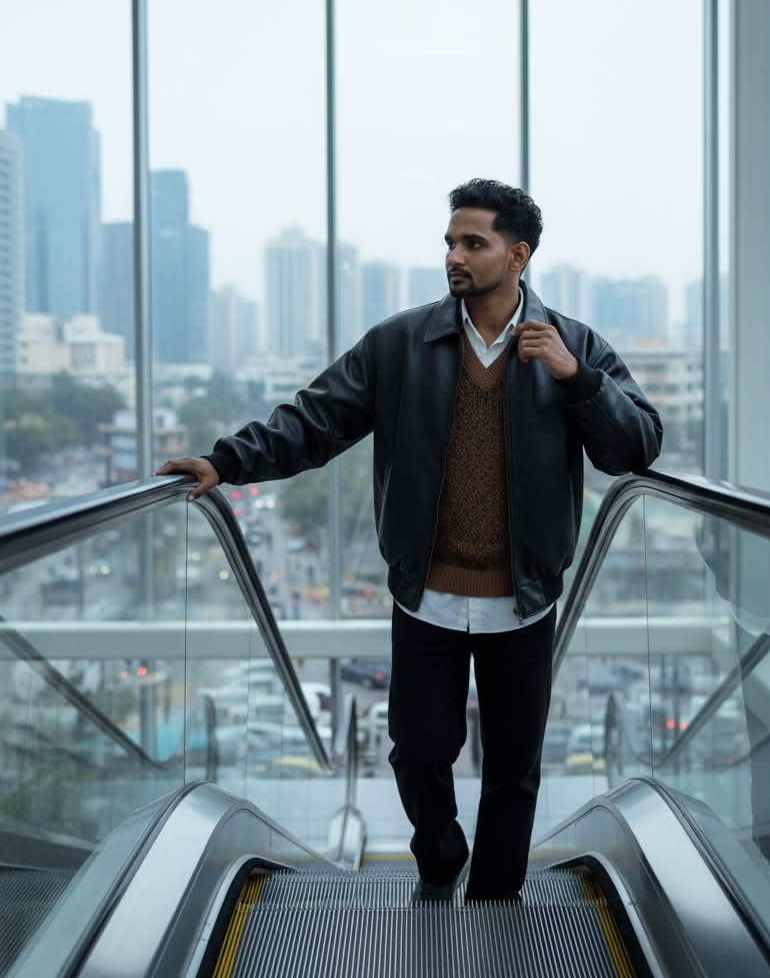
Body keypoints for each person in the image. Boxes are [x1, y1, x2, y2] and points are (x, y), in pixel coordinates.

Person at [156, 178, 663, 904]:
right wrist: (225, 462)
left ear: (517, 255)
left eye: (473, 243)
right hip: (425, 597)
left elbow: (636, 447)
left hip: (523, 601)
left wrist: (577, 378)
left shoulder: (575, 348)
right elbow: (314, 420)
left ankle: (495, 898)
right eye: (450, 241)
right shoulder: (402, 343)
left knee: (514, 769)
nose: (454, 255)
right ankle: (439, 857)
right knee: (418, 755)